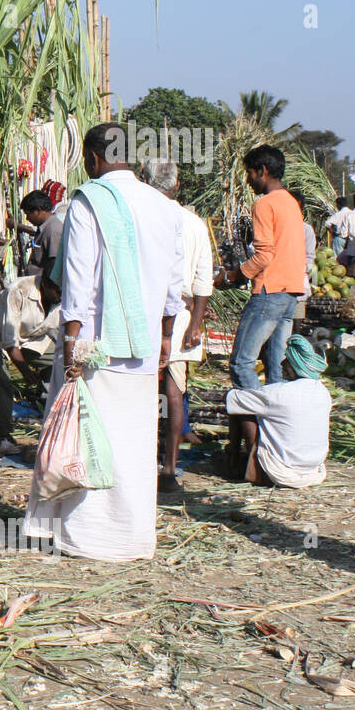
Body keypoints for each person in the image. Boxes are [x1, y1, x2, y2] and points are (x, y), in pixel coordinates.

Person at [22, 123, 184, 562]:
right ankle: (130, 536)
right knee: (132, 441)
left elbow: (77, 282)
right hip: (145, 346)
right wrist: (167, 336)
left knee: (87, 437)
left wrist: (71, 344)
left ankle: (88, 535)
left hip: (94, 347)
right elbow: (174, 286)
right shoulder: (165, 206)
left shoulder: (88, 202)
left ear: (94, 159)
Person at [145, 160, 213, 495]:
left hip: (146, 313)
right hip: (184, 315)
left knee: (144, 387)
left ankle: (147, 462)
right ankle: (169, 468)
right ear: (178, 184)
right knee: (173, 391)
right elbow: (204, 279)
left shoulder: (143, 216)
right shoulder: (193, 223)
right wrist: (196, 324)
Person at [214, 146, 306, 393]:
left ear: (263, 171)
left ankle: (257, 424)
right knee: (276, 369)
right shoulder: (290, 202)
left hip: (270, 292)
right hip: (290, 293)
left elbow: (265, 255)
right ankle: (276, 424)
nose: (248, 180)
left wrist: (234, 275)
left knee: (241, 363)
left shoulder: (264, 204)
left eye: (250, 173)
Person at [226, 335, 331, 488]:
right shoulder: (323, 392)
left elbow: (231, 399)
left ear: (296, 365)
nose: (281, 364)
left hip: (280, 474)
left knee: (242, 406)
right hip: (314, 472)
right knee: (249, 404)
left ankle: (234, 462)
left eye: (287, 360)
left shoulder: (277, 393)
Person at [0, 272, 60, 456]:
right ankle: (4, 434)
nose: (61, 295)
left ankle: (53, 423)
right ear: (45, 283)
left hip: (33, 341)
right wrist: (26, 372)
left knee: (60, 362)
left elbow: (59, 334)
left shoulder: (62, 296)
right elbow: (9, 340)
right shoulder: (19, 290)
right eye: (58, 291)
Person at [19, 190, 64, 277]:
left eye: (28, 214)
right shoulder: (45, 228)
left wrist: (48, 287)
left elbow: (54, 263)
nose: (27, 218)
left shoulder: (53, 230)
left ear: (38, 211)